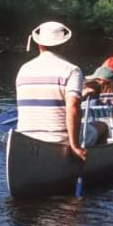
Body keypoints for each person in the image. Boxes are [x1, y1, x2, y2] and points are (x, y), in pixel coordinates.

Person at [14, 21, 85, 160]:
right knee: (102, 127)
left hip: (25, 139)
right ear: (66, 45)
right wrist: (75, 146)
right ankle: (91, 163)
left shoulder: (23, 69)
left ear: (39, 44)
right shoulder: (72, 70)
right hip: (58, 140)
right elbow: (73, 107)